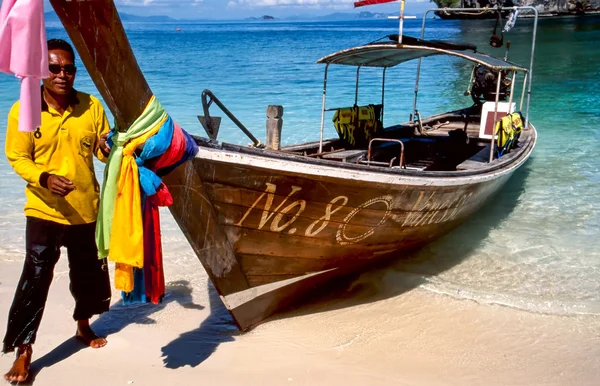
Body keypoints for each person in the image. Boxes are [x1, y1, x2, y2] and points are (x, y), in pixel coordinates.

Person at [3, 39, 112, 383]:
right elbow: (17, 157)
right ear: (40, 71)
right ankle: (24, 350)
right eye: (54, 68)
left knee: (88, 275)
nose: (63, 74)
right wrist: (45, 177)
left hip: (85, 210)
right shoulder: (24, 110)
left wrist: (113, 147)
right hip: (44, 211)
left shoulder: (91, 106)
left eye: (68, 68)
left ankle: (83, 325)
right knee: (34, 280)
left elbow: (103, 151)